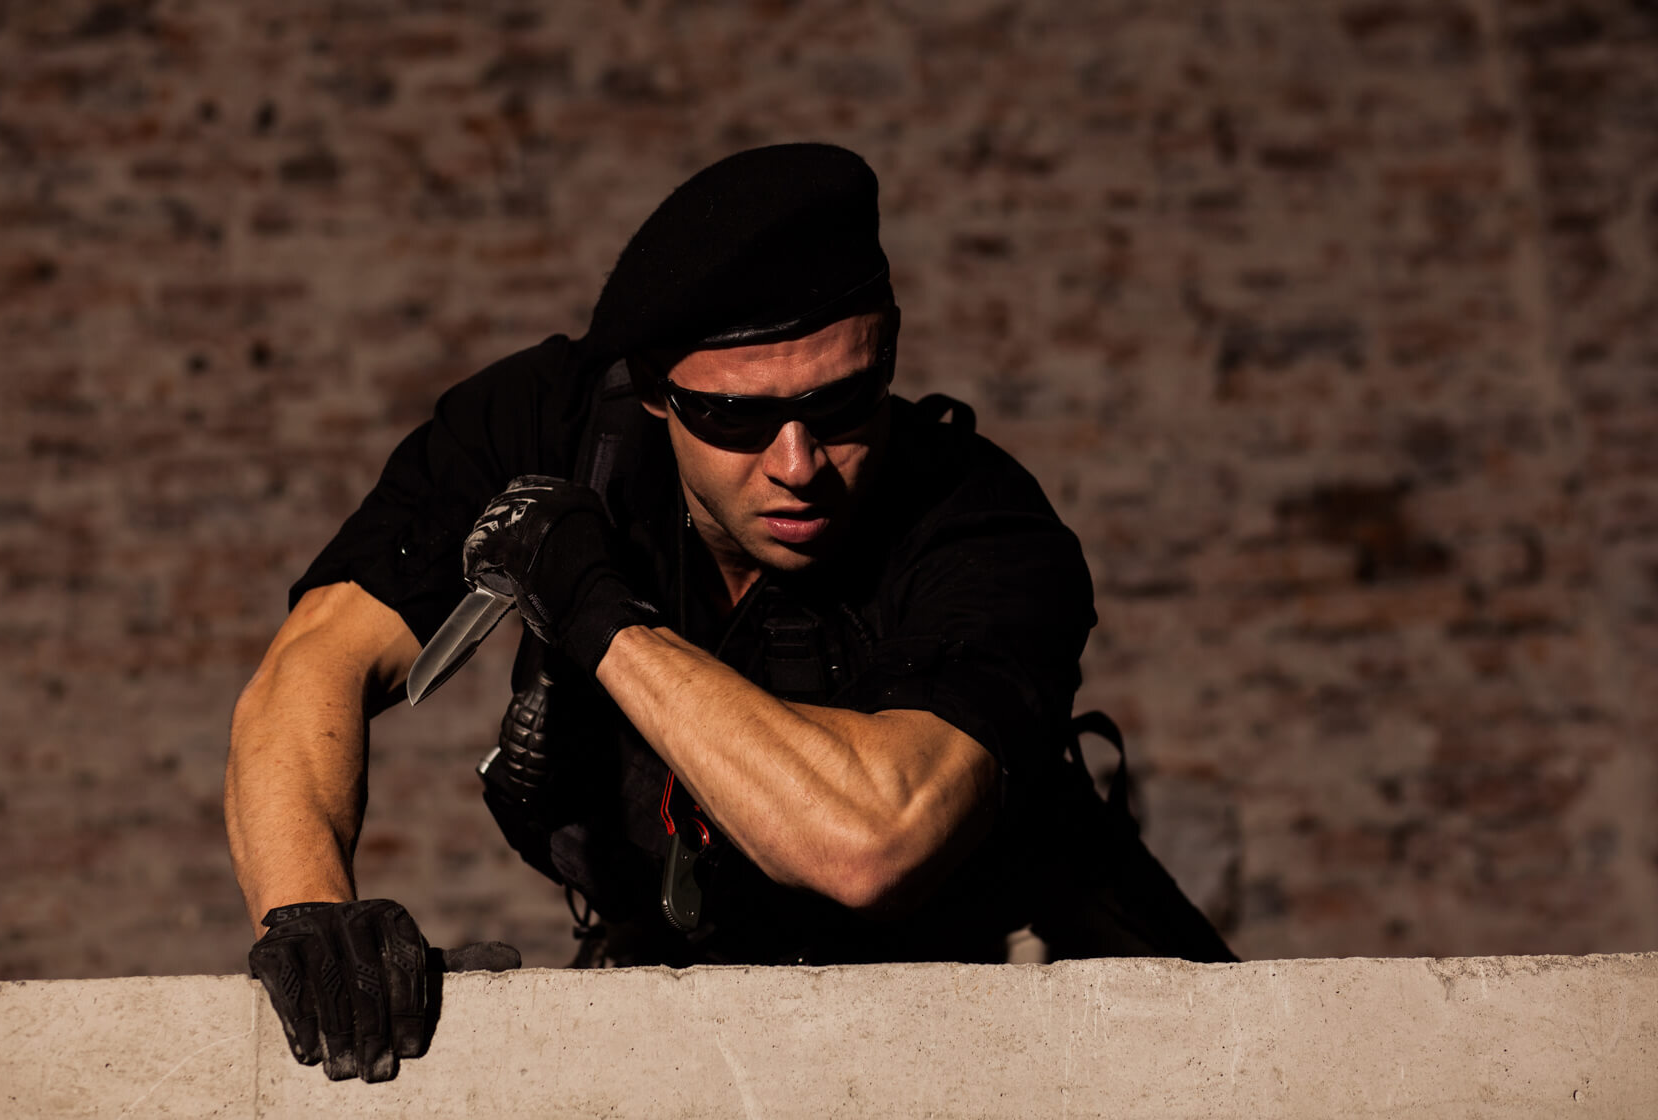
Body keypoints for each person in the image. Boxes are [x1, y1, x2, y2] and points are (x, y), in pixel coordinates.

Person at [225, 143, 1232, 1083]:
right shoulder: (549, 429)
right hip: (678, 986)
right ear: (654, 392)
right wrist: (309, 915)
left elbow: (871, 841)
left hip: (972, 1008)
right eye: (736, 417)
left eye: (842, 405)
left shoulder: (980, 524)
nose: (799, 465)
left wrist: (592, 608)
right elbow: (314, 660)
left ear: (887, 358)